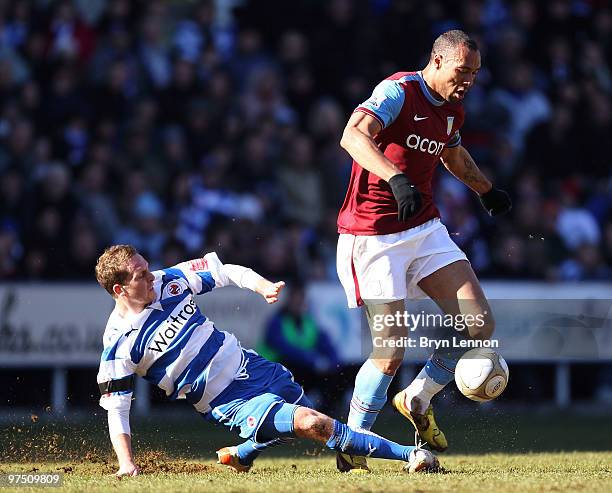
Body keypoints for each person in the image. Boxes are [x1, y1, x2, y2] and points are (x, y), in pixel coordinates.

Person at [95, 245, 437, 476]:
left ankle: (244, 453)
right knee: (311, 423)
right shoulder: (119, 345)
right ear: (119, 290)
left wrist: (261, 286)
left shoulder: (169, 281)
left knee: (300, 422)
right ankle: (412, 455)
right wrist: (127, 464)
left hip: (251, 366)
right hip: (226, 401)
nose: (151, 276)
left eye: (146, 268)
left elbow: (224, 271)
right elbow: (117, 409)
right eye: (141, 276)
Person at [335, 30, 512, 473]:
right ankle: (352, 446)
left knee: (479, 323)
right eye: (462, 71)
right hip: (372, 235)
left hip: (423, 228)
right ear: (437, 60)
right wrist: (396, 179)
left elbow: (451, 155)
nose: (468, 80)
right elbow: (353, 135)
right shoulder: (398, 91)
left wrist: (486, 191)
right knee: (391, 349)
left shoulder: (453, 109)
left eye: (474, 73)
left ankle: (419, 396)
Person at [258, 281, 341, 415]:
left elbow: (324, 343)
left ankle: (326, 413)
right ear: (289, 300)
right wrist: (312, 360)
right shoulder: (277, 321)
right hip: (274, 369)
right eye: (295, 299)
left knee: (333, 375)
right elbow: (283, 348)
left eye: (301, 299)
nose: (298, 303)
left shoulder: (308, 321)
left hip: (302, 366)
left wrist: (333, 362)